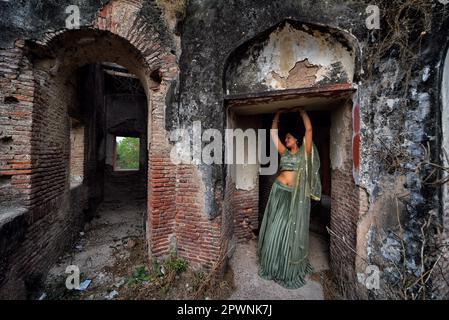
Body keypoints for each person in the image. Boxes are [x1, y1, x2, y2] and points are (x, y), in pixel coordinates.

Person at [257, 107, 322, 289]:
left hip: (293, 196)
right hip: (278, 192)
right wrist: (277, 115)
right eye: (285, 138)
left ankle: (286, 266)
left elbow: (309, 130)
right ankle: (272, 263)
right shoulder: (284, 153)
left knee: (289, 228)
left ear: (297, 139)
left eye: (289, 137)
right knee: (275, 225)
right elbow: (272, 134)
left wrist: (302, 112)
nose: (286, 140)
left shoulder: (305, 152)